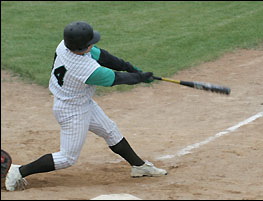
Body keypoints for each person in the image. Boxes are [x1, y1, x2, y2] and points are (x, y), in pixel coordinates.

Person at [5, 21, 167, 191]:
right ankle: (19, 171)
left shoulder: (64, 46)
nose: (93, 44)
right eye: (91, 42)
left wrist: (130, 67)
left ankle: (139, 166)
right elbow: (116, 78)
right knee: (67, 158)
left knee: (110, 130)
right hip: (72, 111)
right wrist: (140, 78)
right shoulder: (86, 69)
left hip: (80, 101)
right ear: (85, 46)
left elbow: (102, 56)